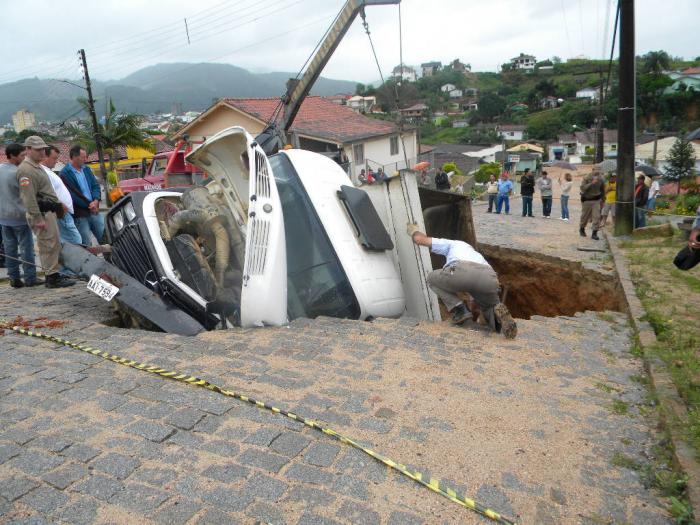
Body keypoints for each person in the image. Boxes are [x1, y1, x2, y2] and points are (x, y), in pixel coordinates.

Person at [406, 223, 517, 339]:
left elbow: (420, 239)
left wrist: (414, 231)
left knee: (432, 278)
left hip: (462, 270)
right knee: (489, 307)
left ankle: (460, 310)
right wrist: (475, 316)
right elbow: (474, 304)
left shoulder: (452, 244)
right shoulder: (476, 255)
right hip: (489, 277)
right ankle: (498, 316)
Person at [16, 136, 74, 288]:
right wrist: (37, 218)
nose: (42, 152)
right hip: (41, 213)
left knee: (52, 244)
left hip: (48, 211)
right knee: (48, 245)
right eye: (37, 149)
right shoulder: (26, 169)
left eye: (42, 149)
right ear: (28, 150)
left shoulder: (35, 166)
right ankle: (52, 277)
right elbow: (28, 197)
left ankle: (54, 274)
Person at [0, 143, 41, 288]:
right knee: (26, 249)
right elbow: (28, 194)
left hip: (3, 217)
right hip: (19, 216)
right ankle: (30, 278)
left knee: (10, 250)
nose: (24, 158)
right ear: (12, 156)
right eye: (22, 155)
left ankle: (14, 278)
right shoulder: (19, 172)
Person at [60, 145, 104, 246]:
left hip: (94, 210)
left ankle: (110, 260)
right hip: (80, 214)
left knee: (104, 238)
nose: (86, 159)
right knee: (86, 244)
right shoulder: (65, 173)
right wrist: (90, 205)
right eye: (83, 157)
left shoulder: (87, 169)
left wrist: (96, 200)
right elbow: (72, 195)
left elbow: (95, 186)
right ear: (75, 157)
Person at [41, 146, 82, 244]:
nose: (56, 161)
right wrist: (60, 205)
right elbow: (47, 193)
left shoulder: (48, 171)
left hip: (62, 212)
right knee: (76, 242)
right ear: (45, 157)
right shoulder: (43, 172)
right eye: (54, 158)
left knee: (68, 242)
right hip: (60, 212)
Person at [579, 170, 606, 239]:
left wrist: (603, 200)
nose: (598, 173)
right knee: (585, 216)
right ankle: (582, 229)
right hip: (587, 199)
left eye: (599, 170)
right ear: (593, 170)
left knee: (596, 216)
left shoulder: (601, 179)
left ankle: (594, 233)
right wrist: (591, 183)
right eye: (596, 170)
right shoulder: (586, 178)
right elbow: (582, 188)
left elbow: (602, 190)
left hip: (596, 200)